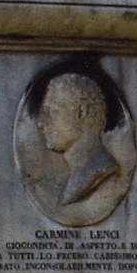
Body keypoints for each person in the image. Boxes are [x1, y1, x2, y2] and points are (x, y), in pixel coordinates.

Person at [36, 73, 119, 206]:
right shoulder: (75, 180)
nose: (41, 122)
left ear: (81, 112)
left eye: (52, 111)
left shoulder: (99, 171)